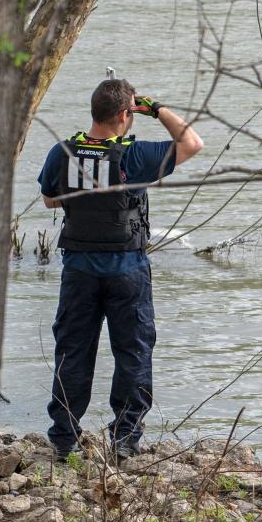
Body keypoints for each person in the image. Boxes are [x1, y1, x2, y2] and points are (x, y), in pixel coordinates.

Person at [38, 77, 204, 460]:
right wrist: (156, 107)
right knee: (133, 351)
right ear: (126, 114)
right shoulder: (135, 156)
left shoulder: (62, 151)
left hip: (79, 268)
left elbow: (49, 201)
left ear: (94, 111)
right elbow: (192, 142)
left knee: (73, 350)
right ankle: (126, 440)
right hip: (127, 268)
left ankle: (64, 439)